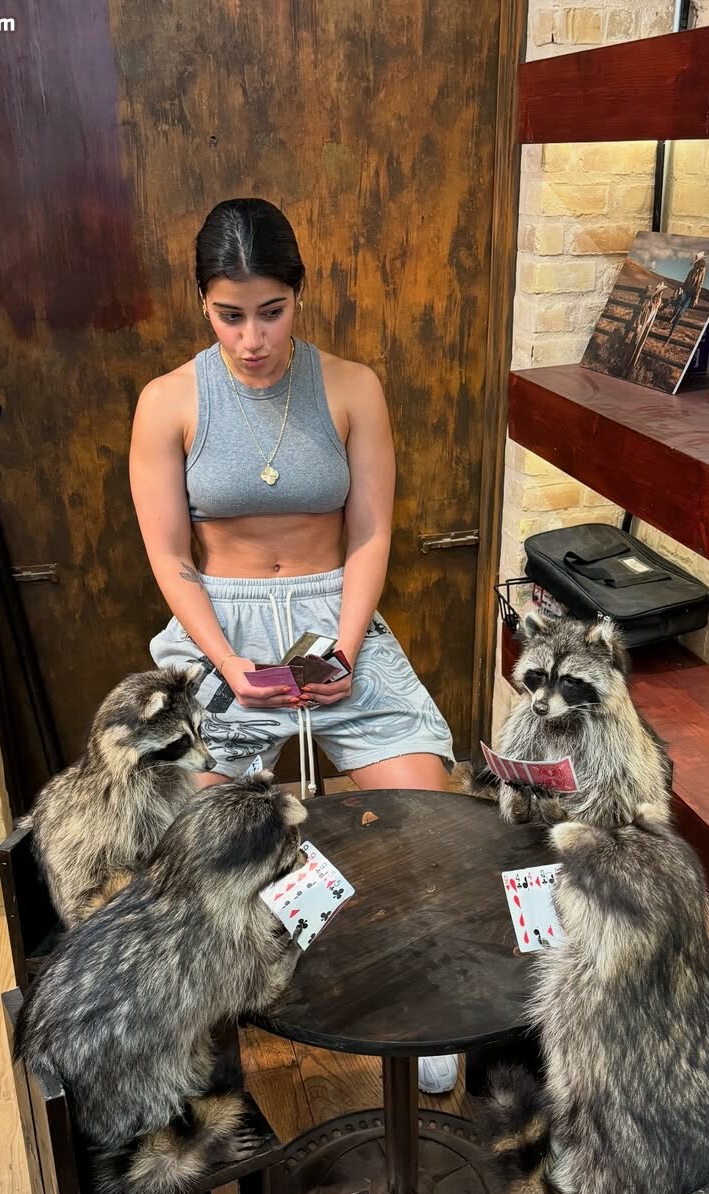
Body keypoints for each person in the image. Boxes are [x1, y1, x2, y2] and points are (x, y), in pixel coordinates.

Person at [129, 197, 459, 1094]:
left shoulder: (352, 388)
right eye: (229, 315)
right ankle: (214, 1024)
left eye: (271, 312)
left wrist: (344, 649)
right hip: (222, 629)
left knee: (426, 818)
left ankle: (421, 999)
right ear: (204, 304)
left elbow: (371, 534)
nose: (251, 339)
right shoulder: (168, 402)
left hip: (332, 618)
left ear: (299, 295)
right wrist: (228, 664)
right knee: (196, 837)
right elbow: (170, 556)